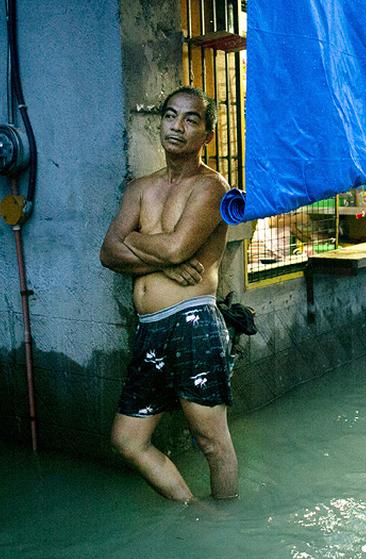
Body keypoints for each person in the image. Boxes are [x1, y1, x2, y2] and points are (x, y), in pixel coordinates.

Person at [100, 86, 237, 503]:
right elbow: (108, 252)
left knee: (211, 441)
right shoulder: (140, 188)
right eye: (170, 116)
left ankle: (227, 525)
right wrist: (166, 261)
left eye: (191, 119)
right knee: (127, 440)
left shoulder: (213, 188)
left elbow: (178, 246)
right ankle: (194, 511)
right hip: (150, 330)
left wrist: (141, 242)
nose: (177, 126)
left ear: (207, 134)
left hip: (192, 323)